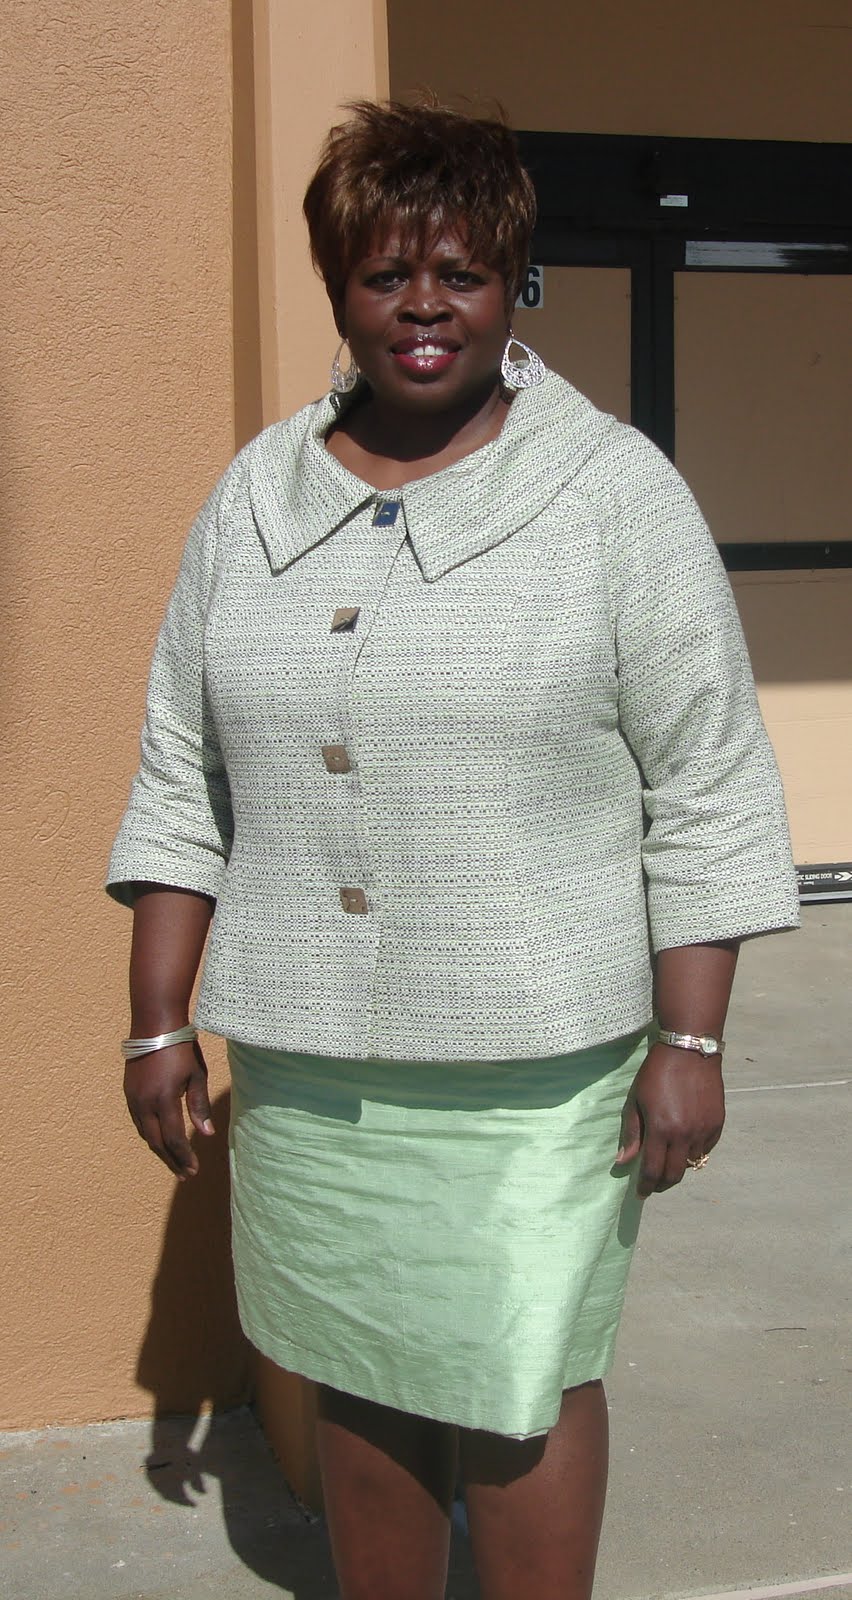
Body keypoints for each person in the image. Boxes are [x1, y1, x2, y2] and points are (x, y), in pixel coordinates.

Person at [107, 100, 800, 1600]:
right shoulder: (256, 499)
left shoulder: (610, 495)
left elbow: (710, 784)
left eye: (460, 273)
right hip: (310, 1061)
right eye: (385, 274)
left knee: (519, 1374)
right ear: (338, 287)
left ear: (512, 283)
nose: (423, 307)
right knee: (356, 1367)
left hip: (534, 1068)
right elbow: (182, 769)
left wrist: (691, 1038)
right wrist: (159, 1017)